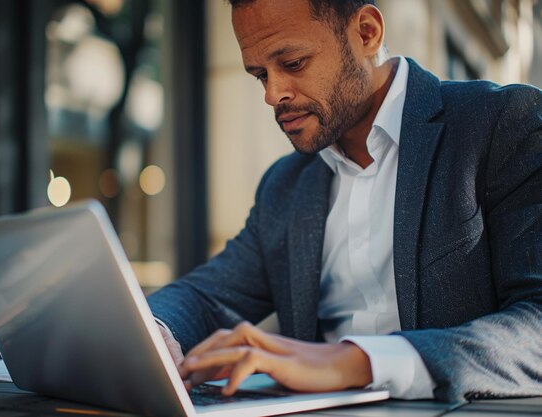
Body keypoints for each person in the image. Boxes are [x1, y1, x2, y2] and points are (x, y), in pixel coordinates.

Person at [148, 0, 542, 403]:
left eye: (294, 63)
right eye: (259, 75)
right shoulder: (285, 185)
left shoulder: (503, 125)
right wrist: (151, 335)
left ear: (367, 32)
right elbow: (209, 295)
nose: (272, 94)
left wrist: (351, 363)